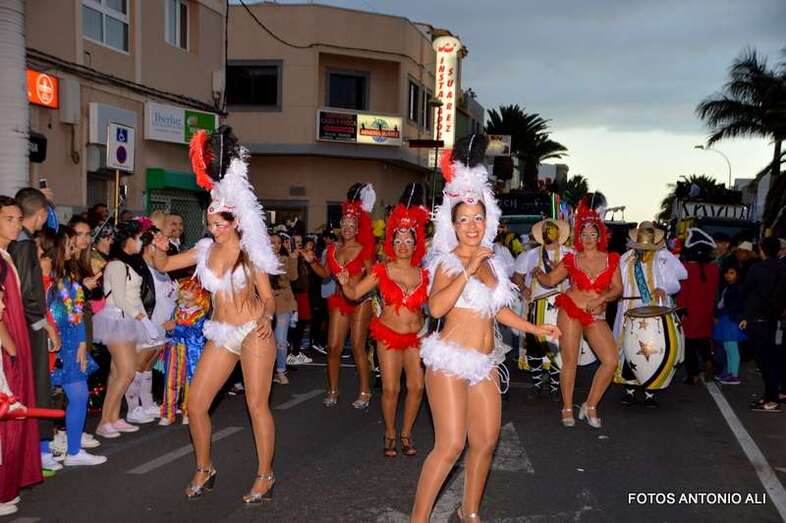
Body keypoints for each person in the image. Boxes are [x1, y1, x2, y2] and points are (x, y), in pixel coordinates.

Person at [410, 136, 560, 522]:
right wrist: (467, 267)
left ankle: (470, 511)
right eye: (464, 220)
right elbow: (437, 307)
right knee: (449, 445)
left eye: (478, 219)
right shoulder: (446, 262)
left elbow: (498, 310)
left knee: (486, 440)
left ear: (487, 220)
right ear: (453, 224)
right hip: (448, 361)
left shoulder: (494, 263)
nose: (472, 226)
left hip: (485, 361)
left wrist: (535, 328)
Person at [151, 126, 280, 502]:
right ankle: (204, 468)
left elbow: (269, 298)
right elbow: (166, 264)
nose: (213, 230)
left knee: (256, 405)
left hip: (253, 331)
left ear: (235, 222)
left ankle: (265, 474)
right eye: (210, 224)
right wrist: (159, 249)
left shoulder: (251, 251)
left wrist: (265, 321)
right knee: (196, 405)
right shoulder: (206, 249)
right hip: (221, 332)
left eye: (219, 224)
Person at [340, 183, 429, 458]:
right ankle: (390, 431)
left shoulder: (424, 274)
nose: (403, 246)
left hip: (415, 337)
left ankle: (406, 433)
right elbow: (355, 293)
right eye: (398, 240)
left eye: (408, 241)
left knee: (417, 387)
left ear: (416, 244)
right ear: (391, 242)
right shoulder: (382, 269)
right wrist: (344, 283)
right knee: (391, 389)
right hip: (388, 335)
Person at [534, 194, 622, 428]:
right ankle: (566, 406)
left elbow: (617, 289)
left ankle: (590, 404)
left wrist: (603, 297)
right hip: (571, 311)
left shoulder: (611, 259)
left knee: (611, 361)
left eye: (593, 234)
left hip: (595, 315)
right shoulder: (572, 259)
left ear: (601, 235)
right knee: (570, 361)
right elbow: (551, 280)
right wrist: (538, 274)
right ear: (578, 236)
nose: (589, 238)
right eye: (584, 234)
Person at [303, 183, 376, 409]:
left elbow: (373, 276)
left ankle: (365, 392)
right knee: (333, 347)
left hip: (360, 302)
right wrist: (312, 261)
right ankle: (333, 390)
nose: (346, 227)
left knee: (357, 347)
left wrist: (357, 286)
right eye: (343, 223)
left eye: (351, 224)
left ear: (357, 228)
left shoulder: (364, 250)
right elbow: (326, 274)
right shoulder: (333, 249)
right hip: (339, 301)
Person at [39, 229, 105, 466]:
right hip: (48, 349)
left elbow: (76, 312)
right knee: (43, 400)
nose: (73, 249)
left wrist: (82, 344)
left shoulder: (68, 279)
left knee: (79, 396)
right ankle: (44, 452)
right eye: (68, 245)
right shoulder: (43, 280)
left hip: (71, 347)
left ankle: (74, 452)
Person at [8, 188, 61, 471]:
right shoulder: (25, 245)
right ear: (40, 214)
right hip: (28, 327)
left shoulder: (15, 244)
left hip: (18, 324)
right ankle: (37, 455)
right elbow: (29, 291)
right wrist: (44, 326)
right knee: (34, 387)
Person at [92, 220, 157, 438]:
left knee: (117, 372)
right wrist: (143, 319)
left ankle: (113, 418)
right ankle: (104, 421)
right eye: (139, 238)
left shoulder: (131, 263)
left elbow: (135, 297)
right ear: (127, 239)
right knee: (127, 371)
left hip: (129, 320)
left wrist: (144, 319)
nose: (141, 243)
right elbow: (119, 298)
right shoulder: (116, 265)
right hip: (116, 320)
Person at [614, 221, 687, 407]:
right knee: (630, 347)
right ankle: (629, 391)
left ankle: (649, 393)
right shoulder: (626, 259)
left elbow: (675, 282)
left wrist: (663, 288)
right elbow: (617, 282)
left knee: (651, 348)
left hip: (654, 309)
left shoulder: (661, 259)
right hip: (629, 307)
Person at [0, 196, 42, 508]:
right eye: (9, 219)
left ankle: (8, 485)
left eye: (17, 219)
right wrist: (10, 345)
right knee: (8, 418)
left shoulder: (6, 254)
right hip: (6, 348)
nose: (16, 225)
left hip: (14, 342)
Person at [513, 218, 571, 394]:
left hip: (562, 307)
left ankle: (555, 386)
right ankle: (538, 385)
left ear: (559, 233)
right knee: (534, 345)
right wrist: (523, 288)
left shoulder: (569, 254)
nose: (549, 233)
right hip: (535, 306)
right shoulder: (530, 255)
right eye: (546, 230)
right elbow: (517, 276)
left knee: (558, 345)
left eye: (552, 230)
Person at [126, 222, 177, 423]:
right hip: (147, 323)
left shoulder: (163, 267)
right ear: (149, 247)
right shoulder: (140, 267)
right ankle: (132, 408)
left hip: (163, 324)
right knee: (138, 364)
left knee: (149, 365)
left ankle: (146, 404)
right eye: (158, 246)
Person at [741, 237, 786, 412]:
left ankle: (772, 399)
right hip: (774, 318)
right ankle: (770, 396)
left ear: (762, 250)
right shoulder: (782, 267)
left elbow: (746, 291)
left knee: (765, 362)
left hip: (758, 319)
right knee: (771, 360)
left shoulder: (757, 268)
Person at [160, 279, 209, 426]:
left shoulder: (200, 313)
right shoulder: (177, 309)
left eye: (191, 289)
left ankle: (188, 411)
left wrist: (175, 327)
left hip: (191, 351)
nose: (186, 291)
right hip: (175, 348)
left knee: (190, 382)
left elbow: (196, 333)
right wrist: (169, 329)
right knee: (171, 380)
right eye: (185, 288)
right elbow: (170, 329)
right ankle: (168, 413)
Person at [678, 229, 720, 385]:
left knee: (689, 344)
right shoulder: (714, 269)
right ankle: (709, 360)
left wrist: (681, 309)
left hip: (690, 311)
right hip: (707, 311)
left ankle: (693, 374)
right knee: (703, 340)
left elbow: (682, 292)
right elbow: (716, 292)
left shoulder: (686, 269)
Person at [269, 233, 298, 385]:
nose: (276, 245)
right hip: (264, 307)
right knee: (266, 342)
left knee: (280, 340)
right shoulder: (259, 261)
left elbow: (294, 277)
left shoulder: (285, 259)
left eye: (279, 242)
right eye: (272, 242)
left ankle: (280, 370)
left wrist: (293, 258)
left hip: (282, 305)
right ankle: (268, 371)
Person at [713, 263, 747, 385]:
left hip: (730, 320)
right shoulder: (730, 287)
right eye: (727, 273)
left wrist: (717, 314)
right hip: (727, 319)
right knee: (728, 347)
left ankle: (734, 375)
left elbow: (731, 307)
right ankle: (730, 372)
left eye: (732, 273)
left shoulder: (736, 288)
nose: (728, 275)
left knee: (732, 348)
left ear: (738, 275)